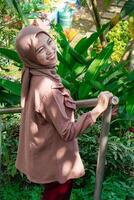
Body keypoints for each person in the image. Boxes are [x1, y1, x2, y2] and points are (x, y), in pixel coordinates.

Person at [15, 22, 113, 200]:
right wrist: (98, 109)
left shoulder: (36, 75)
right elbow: (67, 131)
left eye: (49, 42)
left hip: (48, 157)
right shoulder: (48, 88)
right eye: (40, 50)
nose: (50, 50)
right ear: (31, 57)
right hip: (56, 161)